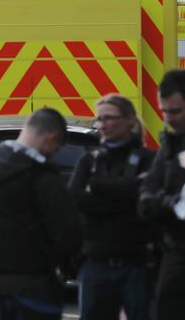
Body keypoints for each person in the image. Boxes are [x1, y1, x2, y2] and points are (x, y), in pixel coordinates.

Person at [0, 108, 82, 320]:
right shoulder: (43, 176)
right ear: (51, 137)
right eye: (56, 149)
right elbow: (68, 233)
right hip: (35, 283)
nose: (53, 154)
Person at [69, 94, 155, 320]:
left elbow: (147, 202)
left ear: (129, 120)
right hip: (96, 262)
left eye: (109, 118)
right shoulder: (89, 161)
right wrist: (131, 189)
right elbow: (76, 199)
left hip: (137, 263)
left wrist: (98, 189)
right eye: (100, 119)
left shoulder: (150, 159)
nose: (102, 124)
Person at [139, 70, 185, 320]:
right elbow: (146, 195)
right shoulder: (168, 146)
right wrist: (169, 203)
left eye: (175, 111)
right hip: (175, 250)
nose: (168, 118)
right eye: (164, 111)